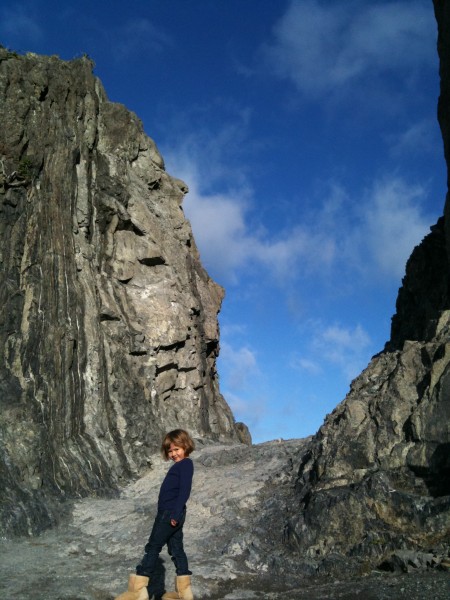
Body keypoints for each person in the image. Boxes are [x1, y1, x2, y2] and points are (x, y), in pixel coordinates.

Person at [115, 429, 195, 600]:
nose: (173, 454)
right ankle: (184, 593)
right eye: (170, 450)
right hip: (173, 513)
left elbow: (184, 491)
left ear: (186, 446)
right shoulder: (179, 465)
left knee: (152, 547)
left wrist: (174, 514)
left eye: (177, 449)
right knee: (176, 550)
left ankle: (137, 592)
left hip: (170, 514)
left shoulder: (186, 464)